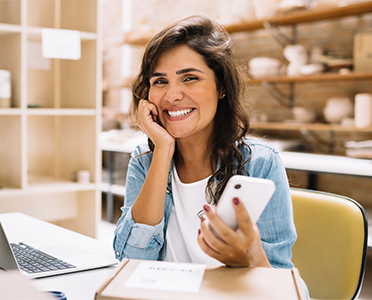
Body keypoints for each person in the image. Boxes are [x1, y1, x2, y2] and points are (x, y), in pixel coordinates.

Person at [113, 15, 308, 296]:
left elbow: (286, 289)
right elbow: (131, 261)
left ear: (222, 87)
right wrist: (163, 149)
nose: (172, 95)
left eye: (189, 78)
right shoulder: (145, 160)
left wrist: (251, 256)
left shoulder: (261, 163)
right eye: (160, 81)